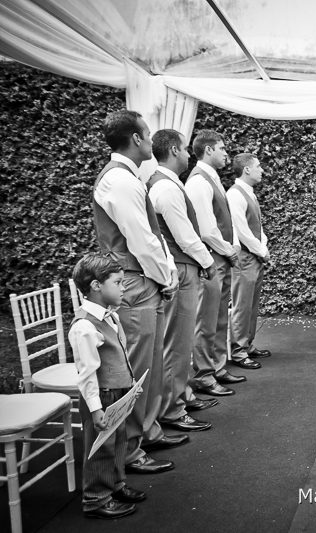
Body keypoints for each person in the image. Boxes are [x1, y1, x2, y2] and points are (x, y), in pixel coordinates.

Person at [93, 110, 182, 475]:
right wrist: (166, 276)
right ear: (135, 139)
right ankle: (129, 451)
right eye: (147, 135)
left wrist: (166, 272)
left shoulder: (125, 177)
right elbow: (142, 240)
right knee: (136, 369)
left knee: (151, 363)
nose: (151, 140)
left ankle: (146, 431)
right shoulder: (121, 181)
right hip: (133, 280)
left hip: (137, 277)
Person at [147, 129, 216, 432]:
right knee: (178, 344)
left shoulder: (164, 183)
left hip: (180, 266)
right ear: (174, 150)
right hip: (182, 268)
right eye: (186, 149)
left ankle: (180, 396)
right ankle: (173, 411)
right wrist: (208, 262)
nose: (189, 154)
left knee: (177, 342)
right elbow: (185, 237)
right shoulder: (167, 188)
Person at [69, 253, 146, 519]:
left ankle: (116, 485)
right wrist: (95, 408)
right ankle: (96, 499)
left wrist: (131, 383)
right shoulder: (84, 327)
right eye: (118, 282)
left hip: (118, 392)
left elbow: (120, 353)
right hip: (101, 397)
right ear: (96, 286)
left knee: (118, 442)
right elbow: (87, 373)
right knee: (100, 447)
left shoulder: (110, 316)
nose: (124, 287)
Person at [185, 130, 245, 398]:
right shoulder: (199, 181)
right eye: (221, 148)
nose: (225, 153)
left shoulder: (212, 178)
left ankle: (218, 367)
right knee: (206, 321)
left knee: (220, 317)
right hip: (210, 259)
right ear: (208, 150)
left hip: (220, 257)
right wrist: (230, 252)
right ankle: (203, 375)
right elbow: (206, 230)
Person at [227, 153, 272, 365]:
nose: (261, 170)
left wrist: (263, 246)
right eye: (258, 166)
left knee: (252, 304)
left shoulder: (249, 194)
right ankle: (238, 352)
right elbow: (242, 230)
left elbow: (257, 227)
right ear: (246, 169)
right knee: (241, 305)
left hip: (253, 256)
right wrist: (261, 251)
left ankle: (247, 344)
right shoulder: (235, 194)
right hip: (244, 258)